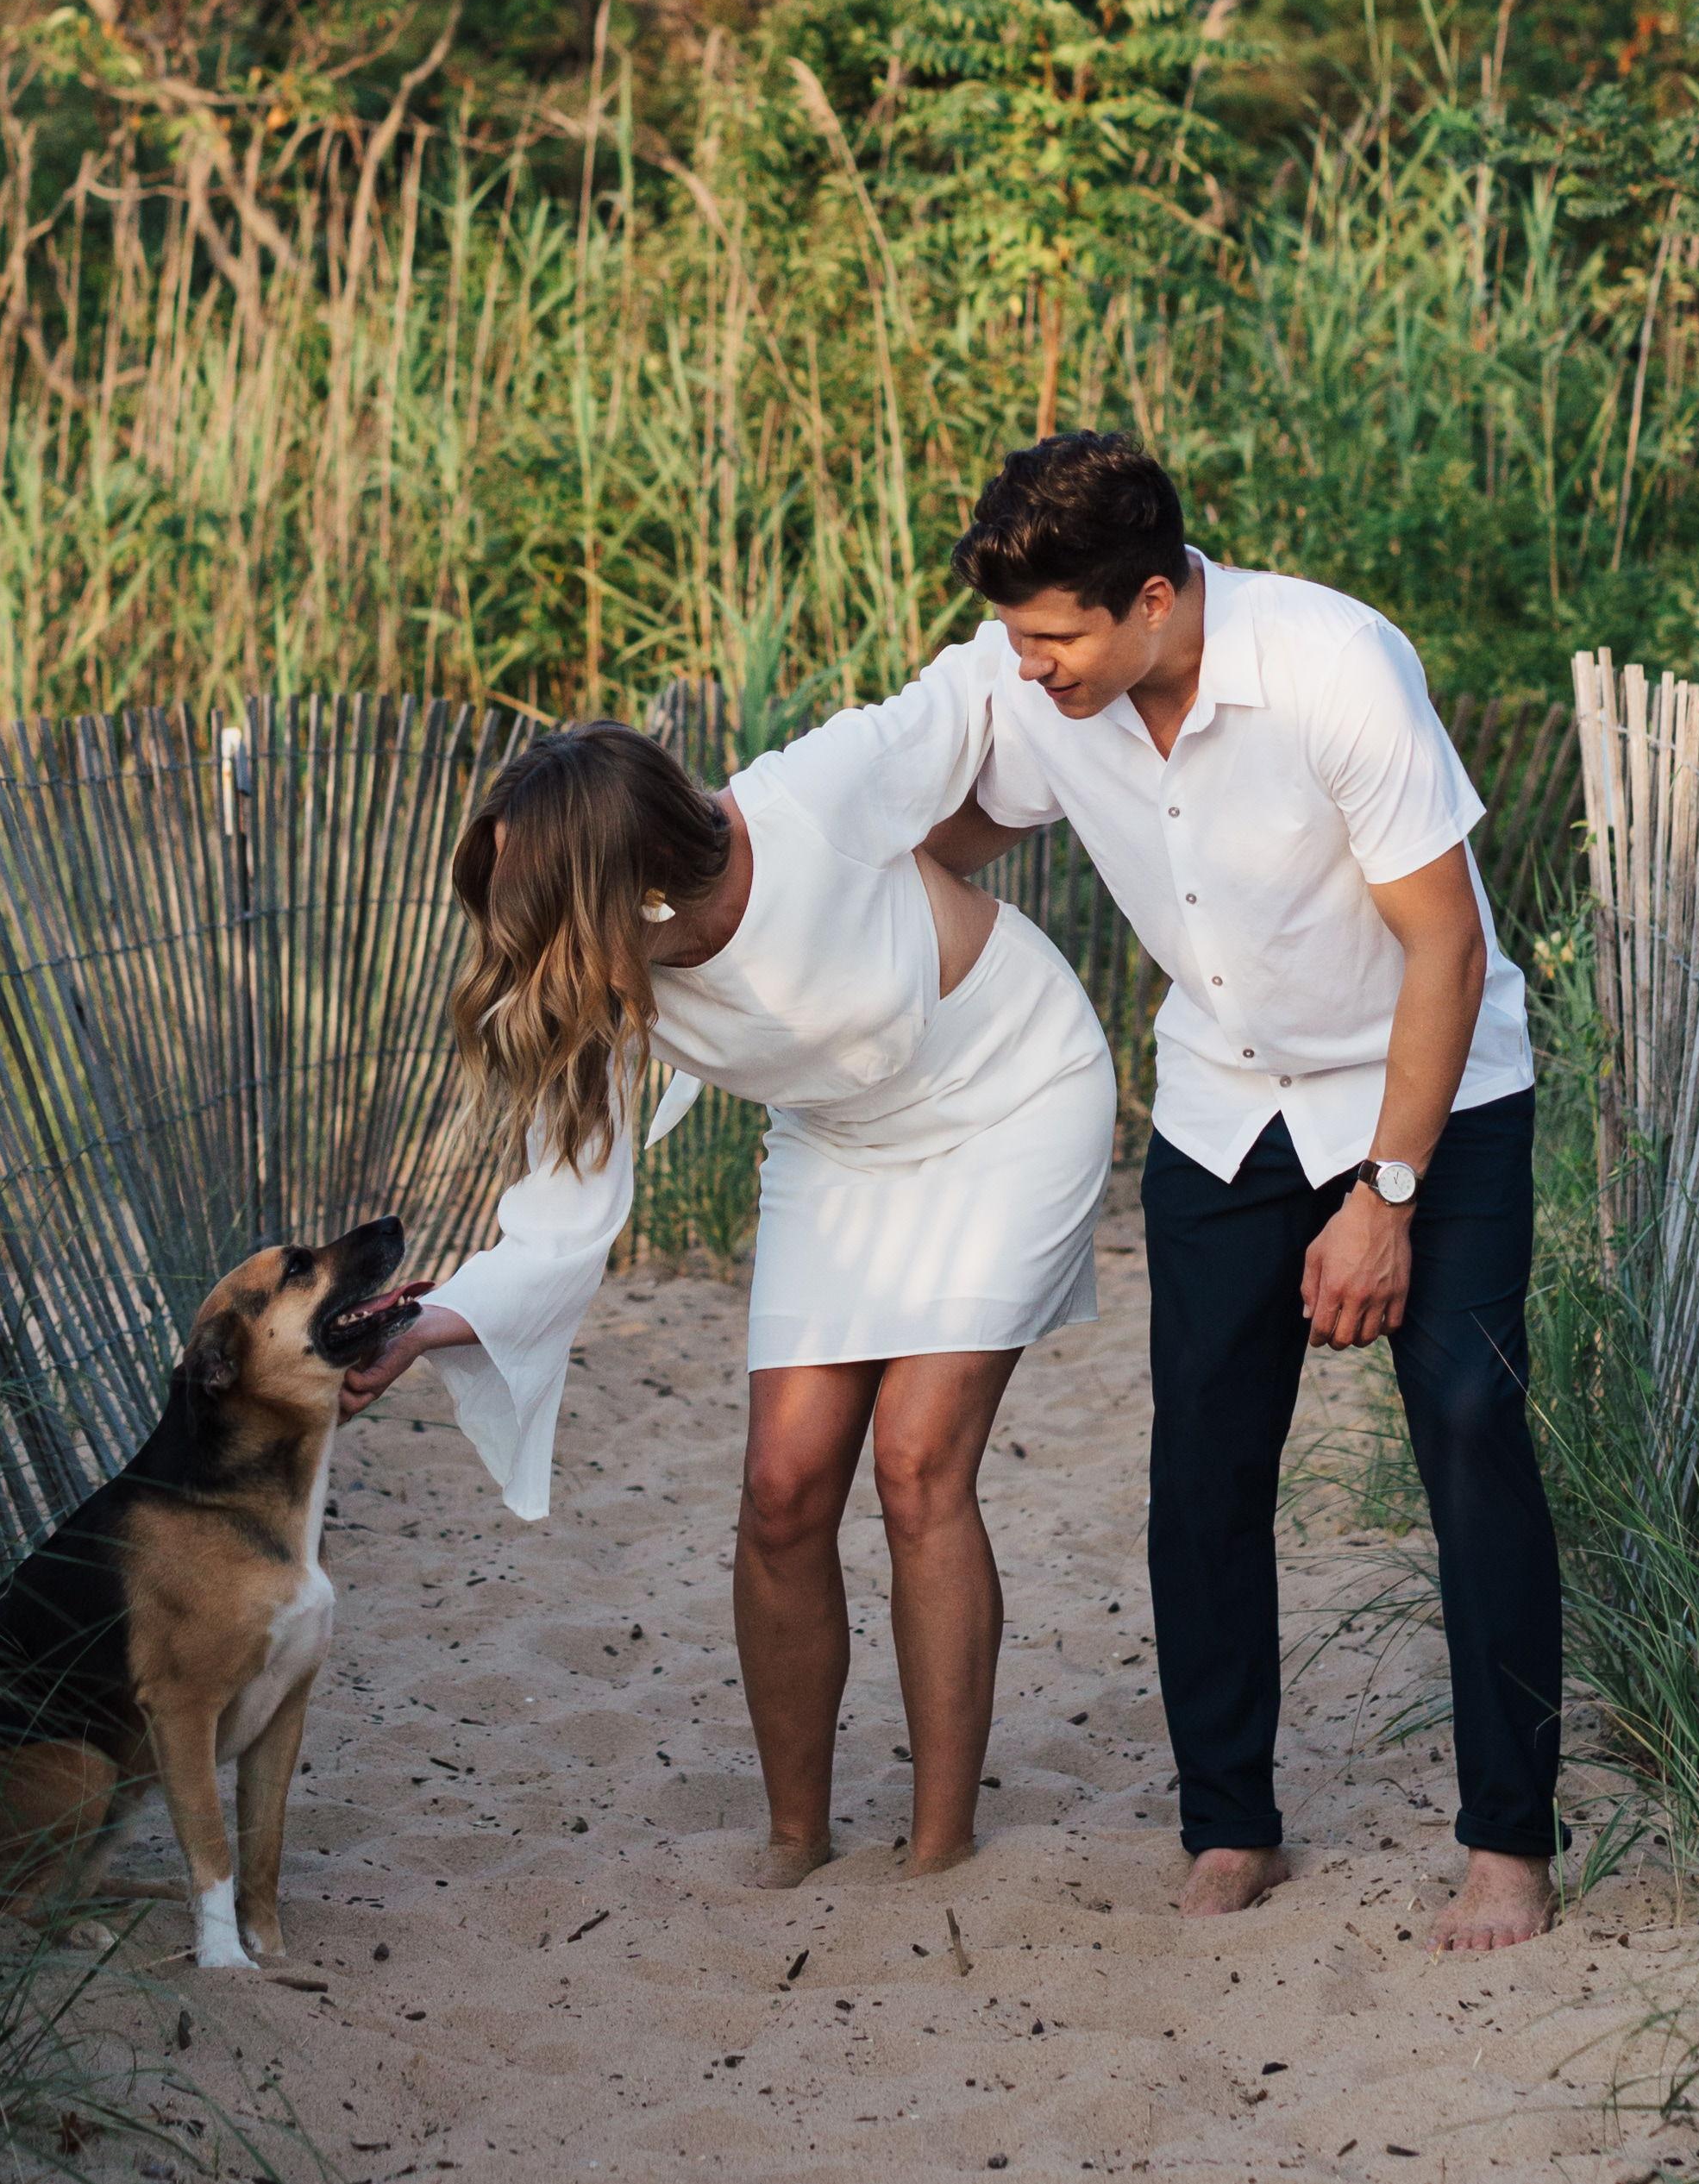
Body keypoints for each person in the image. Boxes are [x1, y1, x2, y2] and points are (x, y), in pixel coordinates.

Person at [916, 430, 1568, 1952]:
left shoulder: (1335, 662)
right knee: (1200, 1464)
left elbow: (1448, 947)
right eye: (1016, 638)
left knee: (1469, 1431)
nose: (1032, 667)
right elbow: (947, 832)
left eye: (1057, 635)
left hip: (1433, 1088)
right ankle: (1230, 1821)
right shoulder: (1050, 688)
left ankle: (1507, 1842)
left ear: (1155, 597)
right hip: (1220, 1105)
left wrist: (1385, 1195)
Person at [335, 673, 1116, 1885]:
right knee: (783, 1484)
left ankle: (939, 1841)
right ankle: (796, 1831)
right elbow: (565, 1192)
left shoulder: (817, 792)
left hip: (1012, 1089)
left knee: (915, 1460)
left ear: (628, 883)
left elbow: (989, 683)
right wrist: (438, 1319)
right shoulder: (596, 972)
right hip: (841, 1140)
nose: (519, 944)